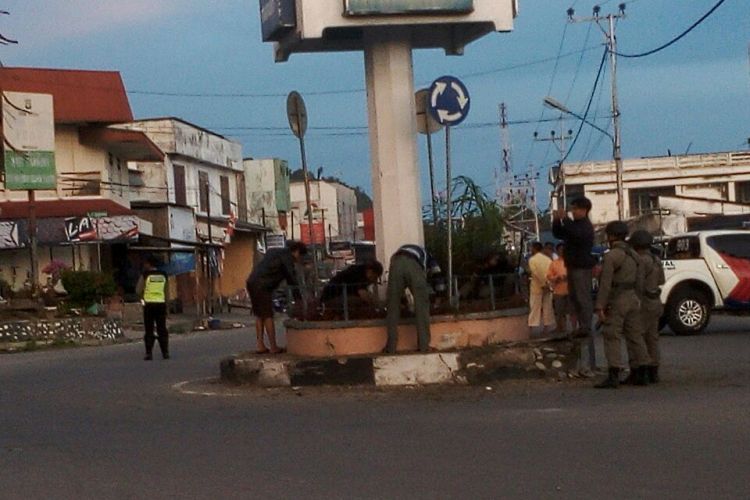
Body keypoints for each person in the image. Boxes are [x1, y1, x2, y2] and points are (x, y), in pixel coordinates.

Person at [594, 221, 651, 389]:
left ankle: (614, 374)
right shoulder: (635, 255)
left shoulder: (611, 256)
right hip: (633, 297)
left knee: (612, 335)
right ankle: (643, 371)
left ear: (611, 236)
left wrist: (600, 306)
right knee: (635, 336)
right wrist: (637, 297)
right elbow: (640, 280)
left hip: (617, 299)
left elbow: (605, 284)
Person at [246, 241, 307, 354]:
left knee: (259, 315)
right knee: (268, 315)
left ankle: (260, 345)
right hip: (263, 286)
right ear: (297, 252)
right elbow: (291, 279)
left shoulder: (274, 251)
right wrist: (299, 299)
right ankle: (273, 346)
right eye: (301, 256)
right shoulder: (287, 258)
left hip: (252, 282)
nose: (299, 260)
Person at [552, 197, 596, 338]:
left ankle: (586, 326)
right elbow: (559, 233)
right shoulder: (574, 225)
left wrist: (565, 219)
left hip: (581, 267)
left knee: (583, 297)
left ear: (584, 210)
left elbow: (576, 234)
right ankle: (580, 326)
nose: (573, 212)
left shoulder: (585, 226)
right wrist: (557, 220)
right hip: (572, 265)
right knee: (575, 297)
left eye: (575, 209)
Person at [385, 244, 439, 353]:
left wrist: (404, 302)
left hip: (395, 261)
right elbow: (437, 274)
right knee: (421, 305)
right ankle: (424, 346)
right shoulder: (429, 257)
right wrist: (439, 295)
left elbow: (400, 290)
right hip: (413, 263)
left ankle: (390, 347)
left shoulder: (406, 249)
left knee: (392, 305)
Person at [630, 230, 665, 384]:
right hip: (655, 300)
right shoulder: (656, 259)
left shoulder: (640, 261)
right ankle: (654, 371)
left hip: (643, 301)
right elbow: (661, 280)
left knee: (636, 336)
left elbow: (637, 283)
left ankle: (640, 369)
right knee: (652, 337)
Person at [136, 255, 169, 361]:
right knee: (162, 329)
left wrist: (142, 298)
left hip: (149, 305)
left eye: (146, 263)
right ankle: (165, 352)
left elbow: (138, 290)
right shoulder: (163, 275)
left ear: (149, 264)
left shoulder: (145, 275)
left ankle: (149, 353)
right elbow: (166, 292)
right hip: (161, 304)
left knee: (149, 329)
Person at [527, 242, 555, 336]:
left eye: (531, 248)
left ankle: (532, 329)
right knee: (548, 307)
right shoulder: (548, 260)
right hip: (548, 286)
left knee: (534, 307)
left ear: (534, 249)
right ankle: (546, 328)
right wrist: (548, 284)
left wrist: (543, 283)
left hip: (536, 287)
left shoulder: (532, 260)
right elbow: (551, 273)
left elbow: (535, 273)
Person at [547, 243, 573, 335]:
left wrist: (568, 277)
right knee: (559, 311)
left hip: (570, 290)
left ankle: (574, 328)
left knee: (572, 311)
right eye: (560, 249)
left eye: (563, 249)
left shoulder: (571, 262)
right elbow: (549, 276)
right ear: (557, 251)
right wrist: (556, 278)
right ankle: (561, 328)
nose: (562, 251)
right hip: (559, 290)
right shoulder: (554, 263)